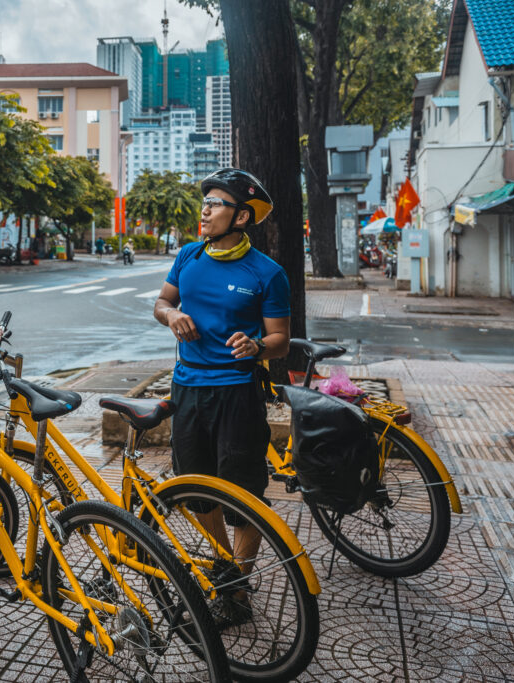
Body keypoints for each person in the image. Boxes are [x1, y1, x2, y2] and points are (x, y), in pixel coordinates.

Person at [153, 168, 290, 624]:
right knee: (197, 491)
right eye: (205, 202)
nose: (205, 210)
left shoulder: (267, 273)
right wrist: (171, 315)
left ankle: (237, 594)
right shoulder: (188, 257)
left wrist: (256, 347)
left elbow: (281, 340)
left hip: (237, 395)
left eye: (215, 203)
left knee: (243, 493)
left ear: (243, 216)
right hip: (187, 391)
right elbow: (161, 303)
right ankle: (223, 571)